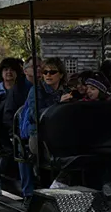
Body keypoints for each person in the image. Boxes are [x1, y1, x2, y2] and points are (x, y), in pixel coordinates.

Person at [19, 58, 72, 198]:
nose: (48, 75)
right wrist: (58, 103)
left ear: (61, 74)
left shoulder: (67, 91)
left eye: (52, 72)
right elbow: (36, 114)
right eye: (45, 72)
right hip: (40, 133)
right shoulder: (36, 91)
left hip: (63, 133)